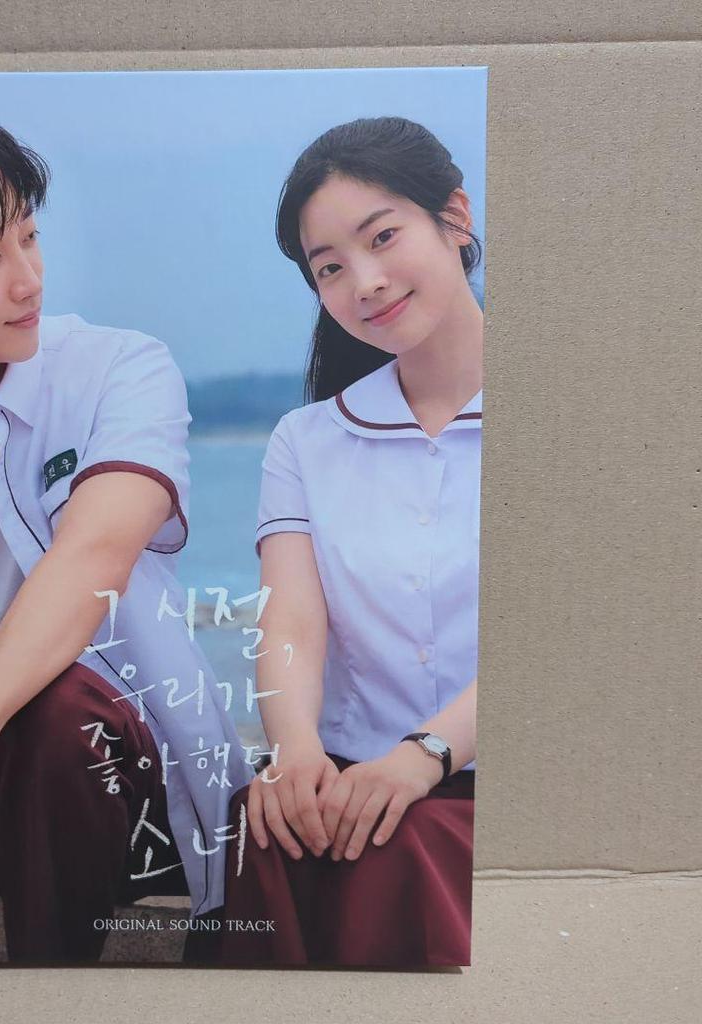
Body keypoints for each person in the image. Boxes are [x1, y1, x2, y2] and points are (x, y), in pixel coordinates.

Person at [0, 103, 250, 963]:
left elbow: (94, 557)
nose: (29, 280)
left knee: (61, 711)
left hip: (95, 785)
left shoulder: (119, 369)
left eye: (30, 239)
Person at [220, 116, 482, 967]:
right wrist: (294, 752)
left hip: (504, 786)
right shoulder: (306, 441)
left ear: (455, 216)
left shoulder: (574, 415)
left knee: (398, 843)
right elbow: (292, 620)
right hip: (353, 770)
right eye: (329, 267)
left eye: (383, 238)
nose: (364, 282)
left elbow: (565, 639)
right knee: (267, 826)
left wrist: (424, 756)